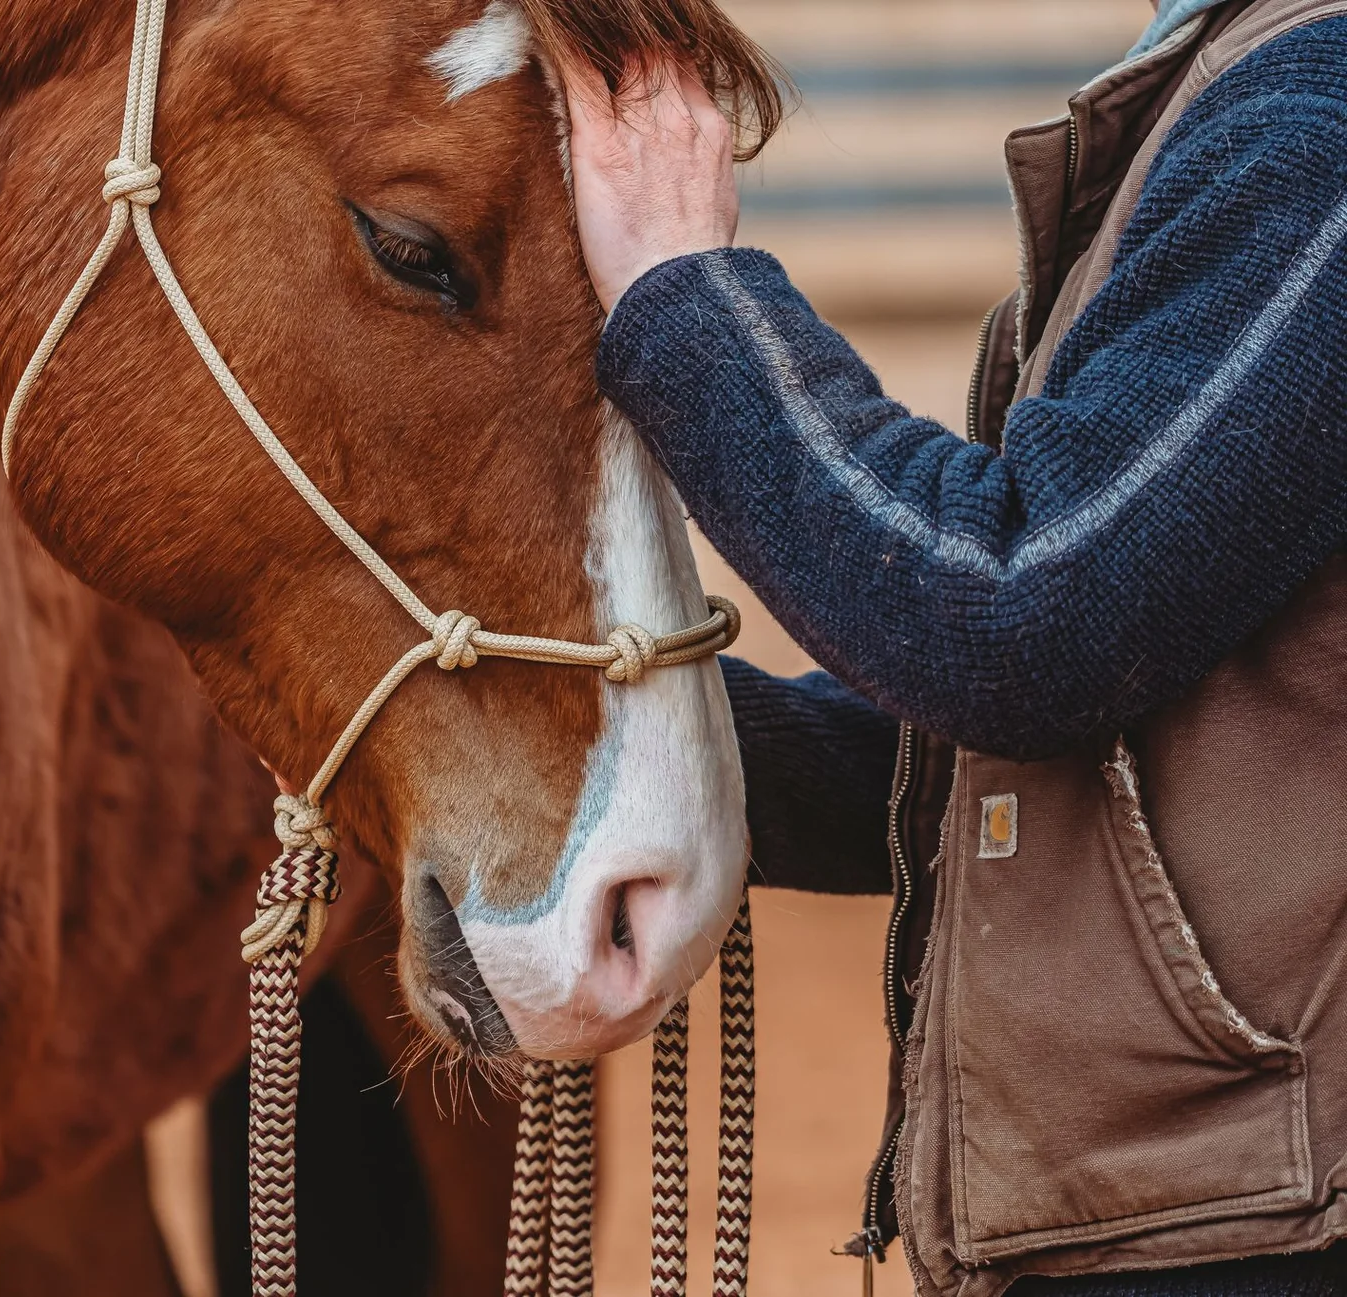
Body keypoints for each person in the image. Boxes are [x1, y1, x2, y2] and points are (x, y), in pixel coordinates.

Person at [562, 0, 1347, 1294]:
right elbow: (1005, 743)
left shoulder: (1315, 122)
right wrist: (543, 718)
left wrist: (682, 296)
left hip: (1254, 1227)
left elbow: (1020, 627)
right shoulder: (1243, 86)